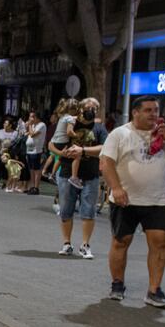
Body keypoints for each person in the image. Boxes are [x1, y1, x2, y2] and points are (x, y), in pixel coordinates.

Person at [100, 96, 165, 307]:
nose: (153, 114)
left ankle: (154, 290)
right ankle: (117, 283)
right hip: (126, 200)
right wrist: (116, 187)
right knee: (120, 241)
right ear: (136, 112)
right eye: (148, 110)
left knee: (159, 242)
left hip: (158, 199)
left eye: (156, 110)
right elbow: (106, 163)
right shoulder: (120, 134)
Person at [55, 98, 107, 260]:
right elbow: (54, 143)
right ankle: (66, 243)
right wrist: (61, 153)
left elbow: (104, 147)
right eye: (88, 107)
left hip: (90, 175)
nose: (91, 110)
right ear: (81, 108)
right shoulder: (69, 124)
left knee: (88, 210)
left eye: (95, 108)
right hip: (66, 174)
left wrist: (83, 150)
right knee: (65, 209)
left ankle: (85, 245)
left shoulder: (99, 128)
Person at [24, 110, 46, 194]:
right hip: (29, 150)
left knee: (36, 169)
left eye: (31, 116)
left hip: (36, 150)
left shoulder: (41, 125)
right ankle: (32, 186)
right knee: (31, 169)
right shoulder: (32, 125)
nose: (30, 118)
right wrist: (27, 126)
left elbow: (32, 134)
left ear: (36, 117)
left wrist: (29, 125)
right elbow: (27, 133)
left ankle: (36, 187)